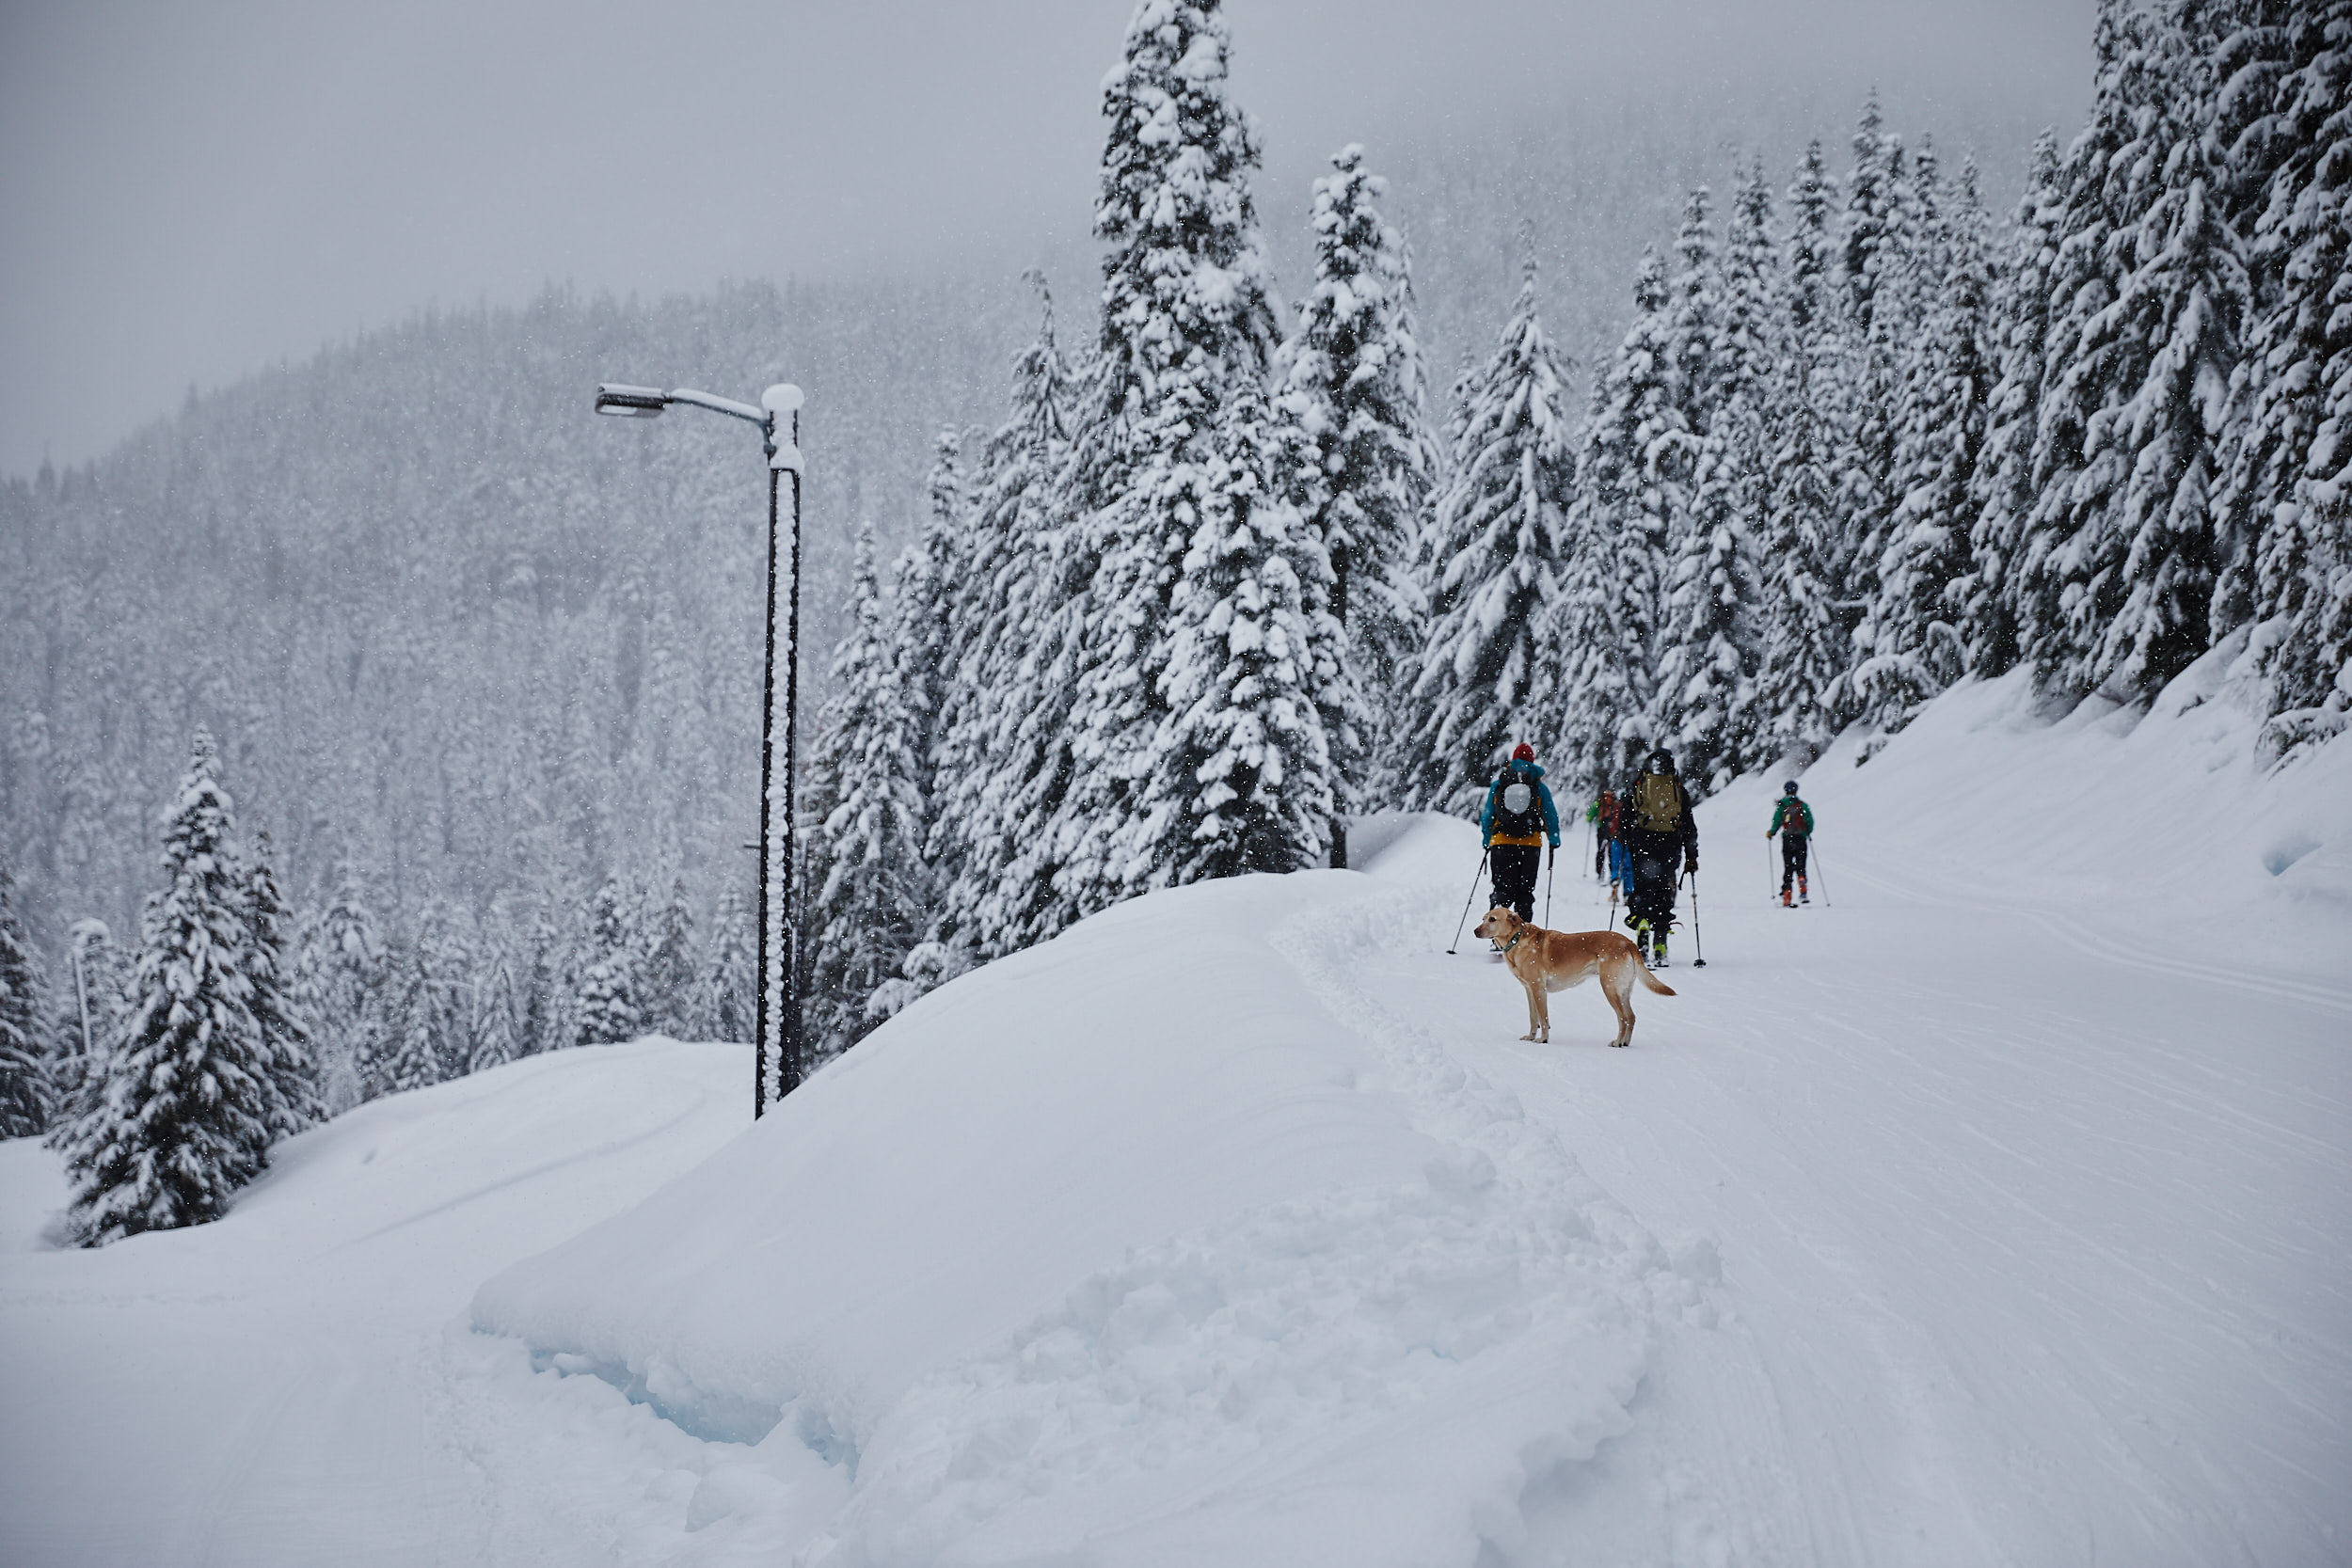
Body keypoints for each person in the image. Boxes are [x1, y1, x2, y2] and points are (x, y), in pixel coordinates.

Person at [1619, 747, 1697, 966]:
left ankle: (1642, 929)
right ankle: (1660, 939)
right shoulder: (1678, 789)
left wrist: (1626, 838)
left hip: (1642, 842)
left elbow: (1625, 812)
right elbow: (1689, 824)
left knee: (1642, 888)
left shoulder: (1640, 784)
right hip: (1669, 844)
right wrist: (1692, 855)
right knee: (1664, 889)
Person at [1480, 743, 1561, 925]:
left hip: (1501, 844)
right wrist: (1554, 838)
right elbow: (1550, 816)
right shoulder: (1539, 787)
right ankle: (1522, 937)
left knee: (1502, 890)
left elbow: (1487, 815)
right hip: (1530, 845)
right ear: (1532, 760)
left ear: (1513, 760)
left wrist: (1487, 839)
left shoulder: (1499, 784)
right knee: (1525, 892)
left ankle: (1498, 934)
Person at [1767, 780, 1814, 906]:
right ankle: (1802, 885)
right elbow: (1809, 821)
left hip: (1788, 839)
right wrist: (1807, 832)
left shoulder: (1782, 806)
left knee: (1788, 867)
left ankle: (1787, 893)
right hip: (1801, 839)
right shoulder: (1802, 805)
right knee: (1801, 865)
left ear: (1786, 790)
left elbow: (1776, 821)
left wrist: (1771, 833)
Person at [1589, 788, 1628, 902]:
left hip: (1607, 831)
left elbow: (1589, 817)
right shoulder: (1611, 806)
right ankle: (1608, 874)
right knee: (1607, 854)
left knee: (1604, 852)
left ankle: (1603, 873)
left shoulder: (1606, 805)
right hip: (1609, 833)